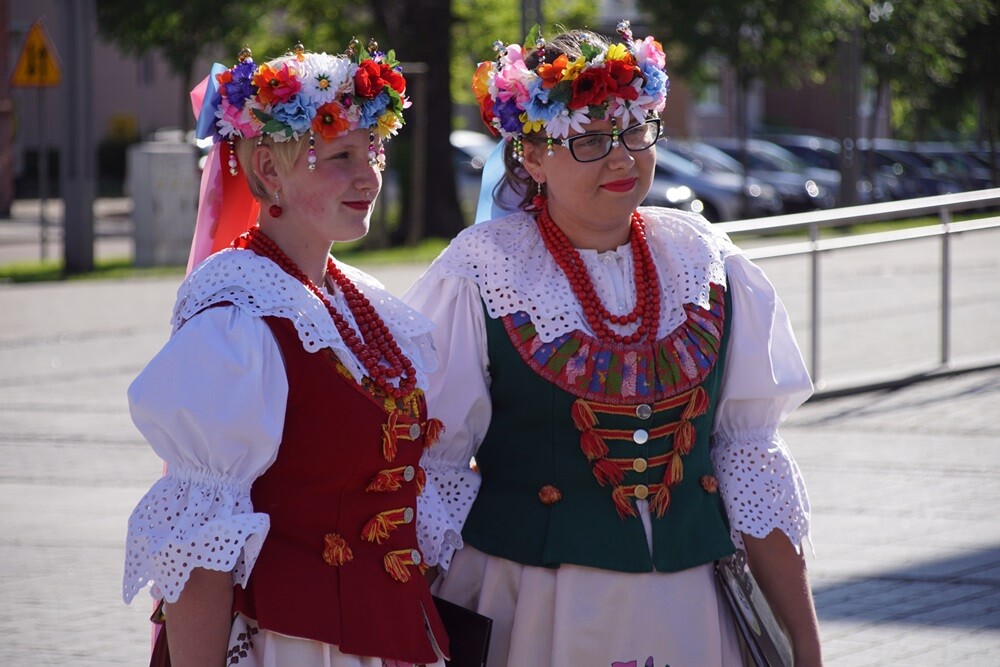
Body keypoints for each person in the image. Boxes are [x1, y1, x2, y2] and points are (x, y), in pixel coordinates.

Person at [404, 22, 823, 667]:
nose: (623, 158)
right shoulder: (483, 270)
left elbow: (748, 458)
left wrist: (804, 646)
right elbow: (432, 469)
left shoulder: (702, 257)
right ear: (533, 157)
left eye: (634, 131)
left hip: (690, 608)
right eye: (591, 140)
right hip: (537, 607)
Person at [122, 40, 450, 667]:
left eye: (372, 151)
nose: (368, 176)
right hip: (292, 643)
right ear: (270, 171)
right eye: (340, 156)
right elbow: (200, 552)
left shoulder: (360, 303)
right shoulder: (238, 321)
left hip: (388, 636)